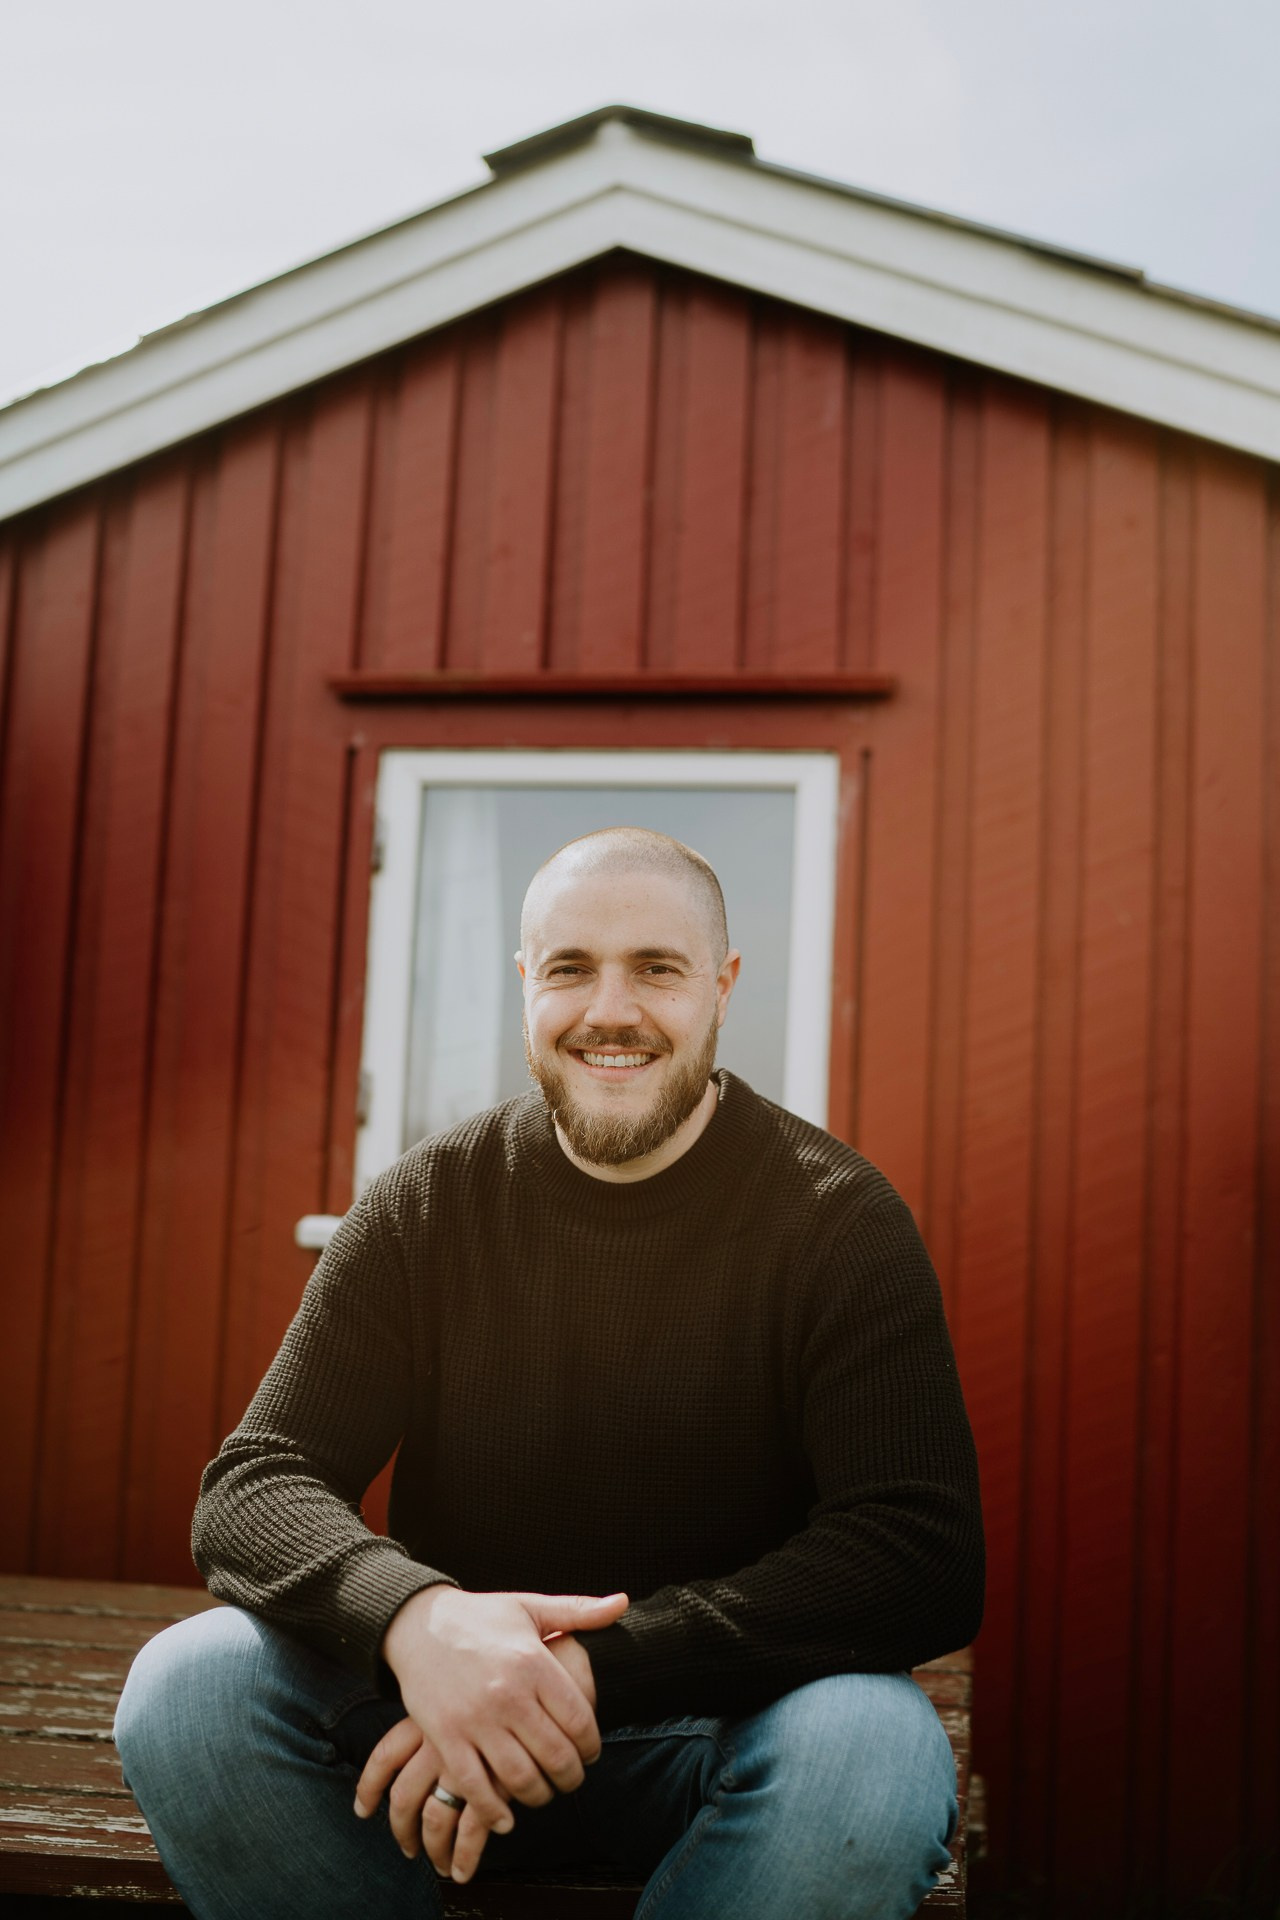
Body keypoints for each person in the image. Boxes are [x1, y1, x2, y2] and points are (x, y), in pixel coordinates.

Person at [114, 826, 984, 1920]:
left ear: (721, 988)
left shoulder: (836, 1222)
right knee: (188, 1690)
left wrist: (586, 1670)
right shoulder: (427, 1205)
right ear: (526, 986)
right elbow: (255, 1484)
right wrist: (417, 1623)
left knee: (870, 1748)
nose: (609, 1010)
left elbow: (917, 1550)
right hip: (430, 1724)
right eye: (570, 969)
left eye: (656, 969)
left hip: (714, 1739)